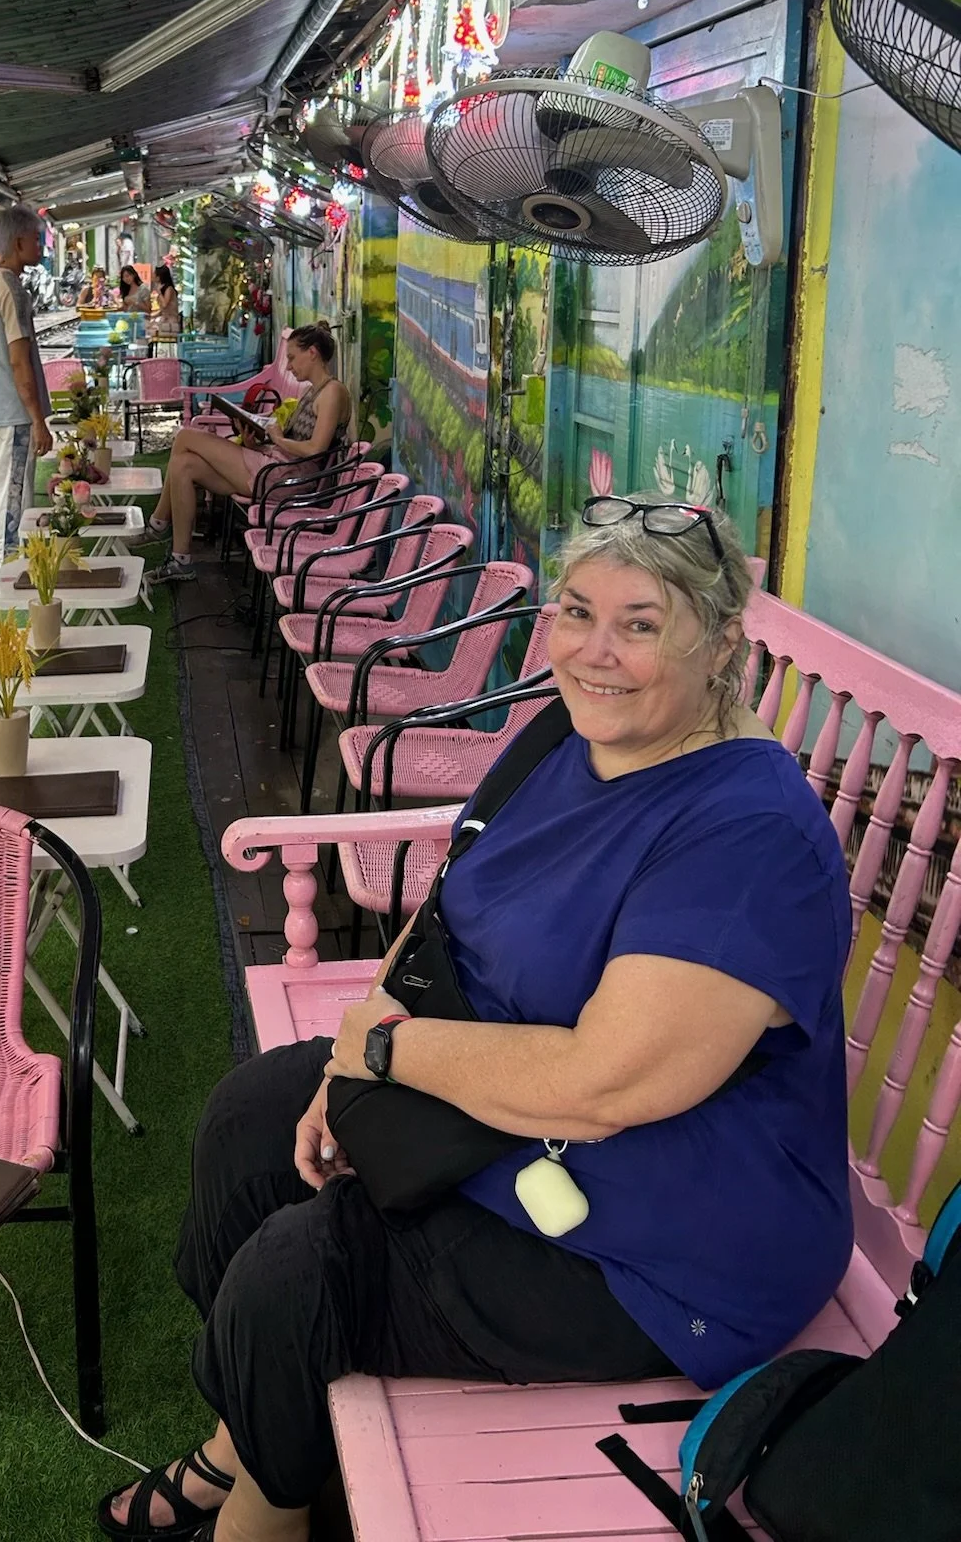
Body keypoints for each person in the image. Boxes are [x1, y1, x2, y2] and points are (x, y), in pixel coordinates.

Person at [99, 497, 853, 1542]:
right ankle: (252, 1434)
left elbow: (607, 1085)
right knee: (250, 1122)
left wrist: (383, 1048)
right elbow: (446, 906)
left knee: (299, 1276)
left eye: (640, 624)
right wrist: (352, 1063)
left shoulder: (747, 835)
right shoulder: (565, 738)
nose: (594, 651)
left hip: (668, 1239)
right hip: (510, 1117)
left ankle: (262, 1499)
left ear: (723, 643)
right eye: (577, 610)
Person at [146, 323, 349, 585]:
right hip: (277, 468)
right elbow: (297, 444)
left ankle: (157, 525)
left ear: (312, 352)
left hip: (287, 479)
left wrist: (278, 438)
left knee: (185, 437)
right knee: (184, 464)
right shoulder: (314, 391)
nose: (288, 366)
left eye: (291, 358)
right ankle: (180, 560)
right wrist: (257, 444)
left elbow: (315, 449)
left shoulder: (332, 392)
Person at [0, 205, 52, 575]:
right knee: (13, 502)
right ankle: (4, 580)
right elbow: (20, 362)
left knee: (3, 495)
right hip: (14, 410)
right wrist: (38, 419)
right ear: (18, 243)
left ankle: (7, 575)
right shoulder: (13, 290)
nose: (40, 246)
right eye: (36, 239)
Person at [148, 262, 180, 347]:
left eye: (154, 274)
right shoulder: (161, 288)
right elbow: (163, 310)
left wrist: (159, 292)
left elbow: (165, 304)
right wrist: (152, 316)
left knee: (151, 331)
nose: (152, 276)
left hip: (171, 321)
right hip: (164, 318)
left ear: (159, 277)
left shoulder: (168, 289)